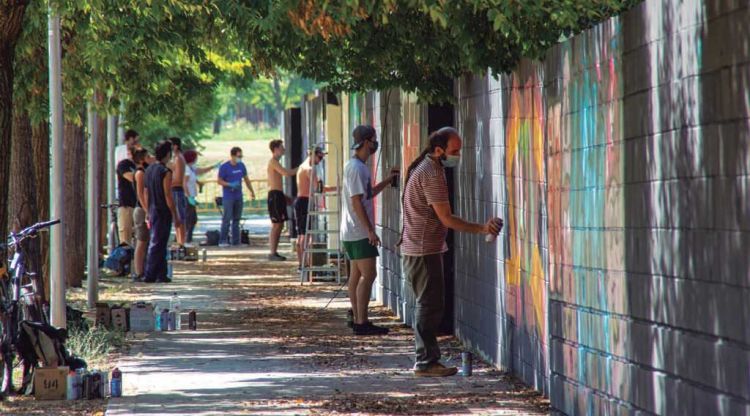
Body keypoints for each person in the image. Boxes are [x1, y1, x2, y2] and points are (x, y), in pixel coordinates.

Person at [400, 127, 502, 377]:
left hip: (420, 248)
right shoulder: (431, 173)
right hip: (423, 250)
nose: (458, 155)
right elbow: (446, 219)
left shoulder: (425, 167)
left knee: (430, 304)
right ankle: (425, 362)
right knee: (429, 305)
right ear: (439, 151)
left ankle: (427, 359)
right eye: (454, 151)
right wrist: (481, 228)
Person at [341, 125, 399, 336]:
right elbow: (356, 202)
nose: (375, 144)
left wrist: (387, 181)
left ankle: (357, 318)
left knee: (356, 275)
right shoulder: (357, 168)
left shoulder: (356, 167)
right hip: (359, 231)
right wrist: (370, 231)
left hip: (351, 231)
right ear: (366, 142)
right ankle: (362, 321)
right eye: (373, 140)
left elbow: (367, 194)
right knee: (369, 274)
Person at [143, 141, 181, 283]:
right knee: (158, 242)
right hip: (162, 210)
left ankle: (161, 273)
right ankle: (150, 274)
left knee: (159, 242)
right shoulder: (165, 172)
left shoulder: (149, 170)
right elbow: (168, 195)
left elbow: (146, 192)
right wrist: (175, 214)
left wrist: (147, 210)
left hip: (152, 209)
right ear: (167, 155)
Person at [295, 146, 327, 268]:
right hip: (304, 202)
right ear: (312, 155)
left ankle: (303, 264)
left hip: (301, 201)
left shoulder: (302, 167)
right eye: (319, 157)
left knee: (302, 234)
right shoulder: (309, 169)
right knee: (305, 235)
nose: (320, 160)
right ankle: (303, 265)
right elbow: (319, 189)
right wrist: (339, 188)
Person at [266, 140, 298, 261]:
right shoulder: (273, 162)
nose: (283, 149)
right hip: (274, 196)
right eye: (281, 147)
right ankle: (272, 252)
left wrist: (283, 196)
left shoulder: (276, 162)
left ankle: (274, 251)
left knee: (280, 224)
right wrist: (302, 167)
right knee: (276, 224)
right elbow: (286, 173)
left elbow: (276, 182)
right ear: (275, 149)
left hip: (278, 195)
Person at [217, 147, 256, 247]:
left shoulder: (241, 166)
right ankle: (223, 240)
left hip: (238, 196)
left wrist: (251, 191)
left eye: (241, 156)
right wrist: (229, 184)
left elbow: (246, 179)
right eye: (239, 156)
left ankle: (236, 241)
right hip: (228, 197)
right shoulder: (224, 167)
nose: (240, 158)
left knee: (236, 219)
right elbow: (219, 180)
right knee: (227, 219)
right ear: (233, 156)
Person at [183, 149, 219, 243]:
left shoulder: (191, 167)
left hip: (191, 196)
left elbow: (200, 171)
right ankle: (186, 239)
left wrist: (212, 167)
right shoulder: (186, 168)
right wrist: (188, 196)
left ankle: (188, 238)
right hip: (187, 197)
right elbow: (184, 183)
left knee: (193, 219)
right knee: (190, 219)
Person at [115, 140, 139, 245]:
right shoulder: (124, 165)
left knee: (139, 238)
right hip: (126, 205)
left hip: (138, 205)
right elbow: (131, 177)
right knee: (125, 238)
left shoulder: (138, 167)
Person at [132, 148, 150, 281]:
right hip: (141, 210)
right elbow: (141, 193)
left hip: (145, 209)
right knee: (141, 241)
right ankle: (138, 271)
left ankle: (143, 269)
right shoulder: (140, 173)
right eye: (148, 156)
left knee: (145, 241)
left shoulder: (145, 172)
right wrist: (147, 210)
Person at [169, 137, 188, 247]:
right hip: (174, 190)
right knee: (177, 218)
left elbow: (178, 180)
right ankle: (179, 241)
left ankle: (182, 241)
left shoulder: (179, 158)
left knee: (180, 217)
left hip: (177, 190)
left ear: (175, 146)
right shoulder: (175, 158)